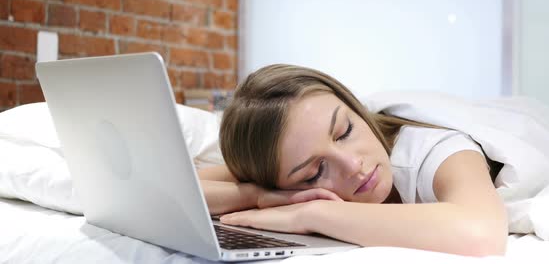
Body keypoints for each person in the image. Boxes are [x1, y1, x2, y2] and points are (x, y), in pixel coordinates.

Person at [197, 64, 508, 257]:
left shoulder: (432, 149)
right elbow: (175, 188)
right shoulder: (283, 163)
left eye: (344, 131)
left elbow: (481, 235)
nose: (352, 165)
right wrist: (258, 196)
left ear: (355, 108)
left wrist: (310, 214)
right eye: (315, 172)